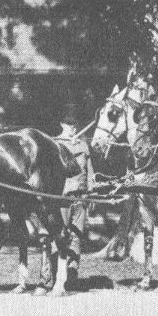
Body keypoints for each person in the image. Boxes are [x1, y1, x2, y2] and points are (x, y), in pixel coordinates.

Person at [53, 103, 91, 290]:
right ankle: (55, 274)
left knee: (77, 234)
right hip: (63, 197)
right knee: (60, 234)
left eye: (74, 125)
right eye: (69, 125)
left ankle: (72, 272)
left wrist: (90, 193)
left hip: (81, 196)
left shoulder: (83, 145)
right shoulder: (55, 144)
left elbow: (89, 171)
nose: (73, 128)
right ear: (62, 125)